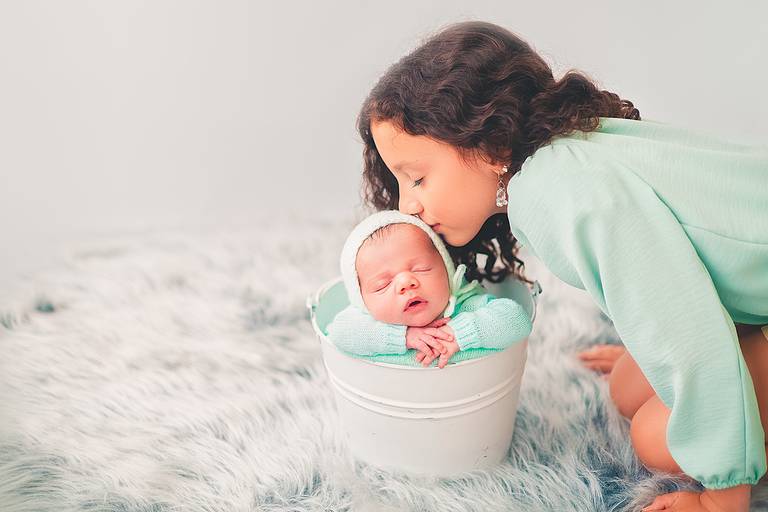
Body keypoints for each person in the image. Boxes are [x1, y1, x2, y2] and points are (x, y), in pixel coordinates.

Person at [354, 19, 768, 512]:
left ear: (489, 144)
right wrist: (652, 343)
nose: (406, 205)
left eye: (417, 178)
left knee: (654, 439)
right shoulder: (560, 159)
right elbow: (675, 273)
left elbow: (683, 326)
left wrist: (722, 494)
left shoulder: (555, 191)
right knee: (628, 386)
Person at [326, 209, 532, 368]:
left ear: (447, 268)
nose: (406, 283)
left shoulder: (467, 305)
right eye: (383, 285)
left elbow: (517, 320)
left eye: (421, 269)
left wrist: (458, 333)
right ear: (361, 300)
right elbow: (338, 333)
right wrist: (402, 336)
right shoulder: (365, 322)